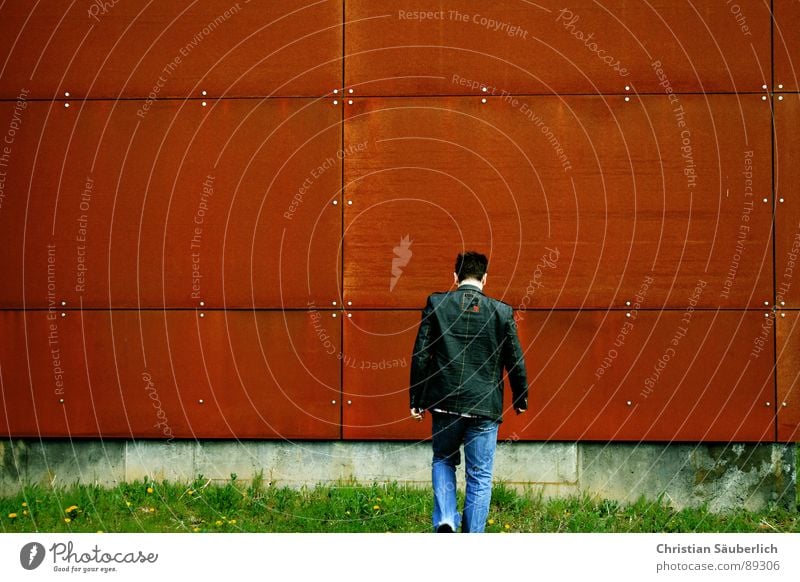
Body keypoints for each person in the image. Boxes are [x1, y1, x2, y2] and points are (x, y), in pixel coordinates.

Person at [409, 250, 528, 533]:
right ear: (485, 278)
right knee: (480, 476)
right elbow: (516, 360)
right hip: (485, 407)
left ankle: (447, 517)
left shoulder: (437, 304)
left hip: (444, 402)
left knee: (443, 459)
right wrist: (520, 398)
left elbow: (421, 355)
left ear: (455, 277)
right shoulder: (501, 312)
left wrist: (416, 398)